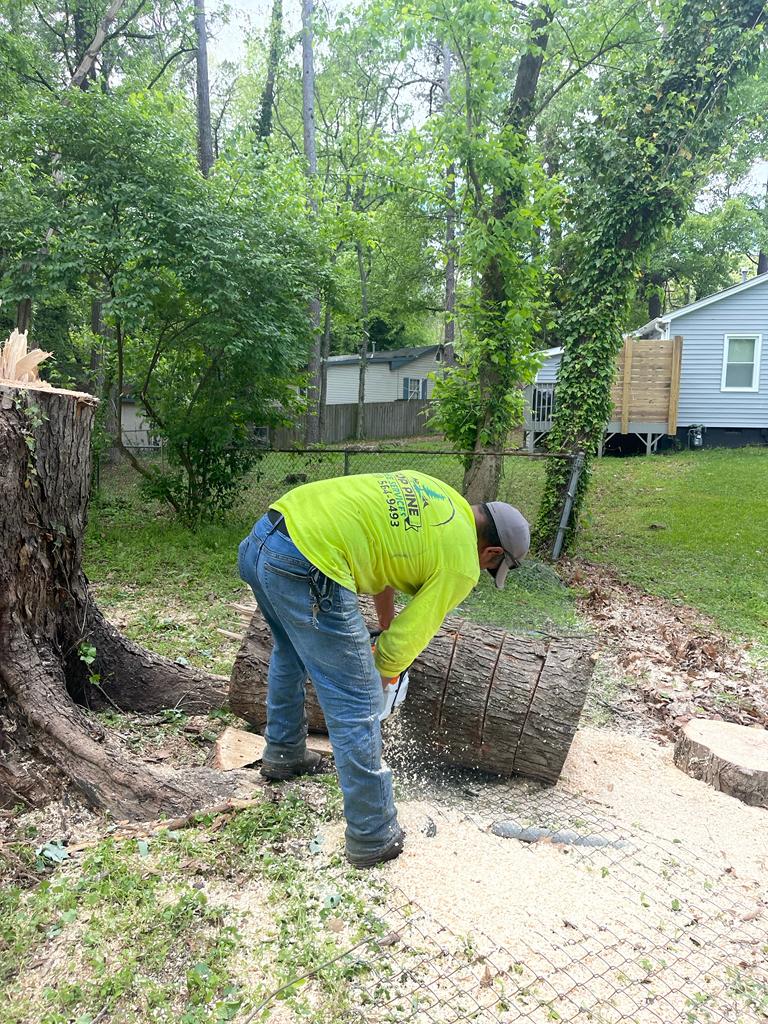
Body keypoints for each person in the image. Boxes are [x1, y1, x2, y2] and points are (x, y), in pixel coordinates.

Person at [237, 470, 530, 868]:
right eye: (490, 566)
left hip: (266, 538)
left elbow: (384, 564)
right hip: (309, 559)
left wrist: (387, 628)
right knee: (354, 699)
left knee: (289, 653)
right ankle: (373, 833)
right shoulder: (462, 562)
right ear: (492, 553)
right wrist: (382, 680)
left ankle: (284, 753)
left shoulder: (437, 493)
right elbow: (402, 646)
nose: (482, 571)